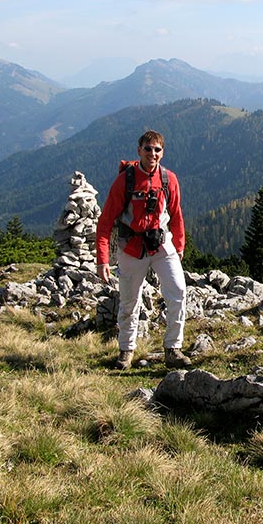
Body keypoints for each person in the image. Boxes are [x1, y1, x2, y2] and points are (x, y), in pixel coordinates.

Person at [96, 130, 192, 370]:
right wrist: (102, 260)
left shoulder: (169, 179)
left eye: (157, 149)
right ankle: (126, 351)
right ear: (139, 150)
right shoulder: (125, 181)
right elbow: (105, 221)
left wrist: (179, 246)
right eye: (148, 149)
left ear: (163, 152)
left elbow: (176, 214)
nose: (152, 154)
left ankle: (173, 349)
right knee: (129, 301)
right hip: (130, 247)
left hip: (161, 243)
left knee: (178, 290)